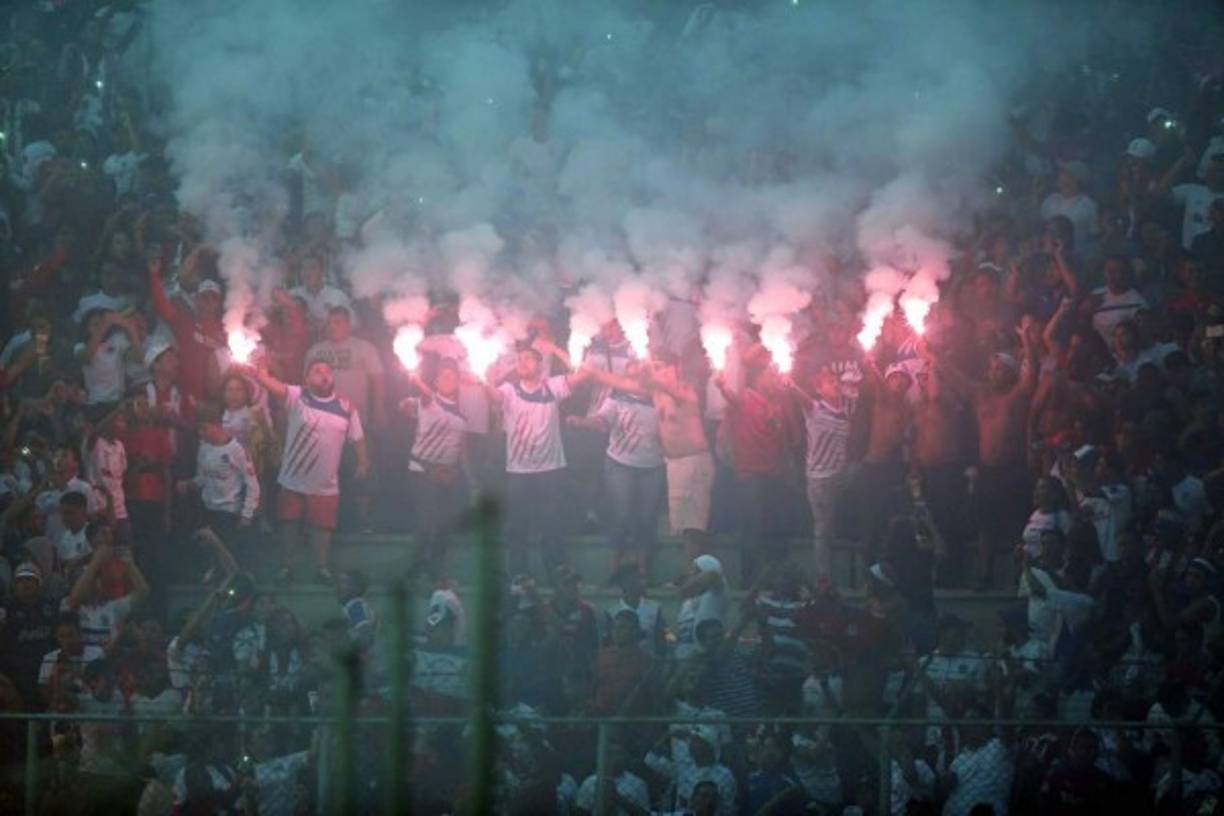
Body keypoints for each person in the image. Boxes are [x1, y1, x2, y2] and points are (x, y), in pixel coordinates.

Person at [936, 316, 1040, 588]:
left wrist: (1026, 341)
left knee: (1018, 525)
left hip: (1014, 469)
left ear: (1011, 372)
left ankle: (1021, 577)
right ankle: (984, 575)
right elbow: (956, 378)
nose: (995, 373)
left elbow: (1032, 373)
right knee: (986, 526)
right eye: (993, 368)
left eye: (1001, 369)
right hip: (988, 471)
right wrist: (934, 353)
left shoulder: (1017, 396)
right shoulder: (980, 394)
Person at [249, 357, 369, 583]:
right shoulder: (298, 395)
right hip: (293, 478)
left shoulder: (346, 406)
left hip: (325, 482)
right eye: (317, 371)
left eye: (327, 371)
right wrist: (261, 372)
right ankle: (286, 568)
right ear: (306, 379)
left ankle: (322, 568)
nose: (324, 374)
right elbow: (274, 386)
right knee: (289, 523)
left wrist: (363, 461)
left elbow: (358, 437)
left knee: (323, 528)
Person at [487, 345, 595, 576]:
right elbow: (494, 396)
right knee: (517, 526)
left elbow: (584, 373)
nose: (522, 362)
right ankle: (519, 574)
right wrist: (485, 379)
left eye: (529, 358)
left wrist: (556, 349)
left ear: (540, 365)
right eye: (519, 359)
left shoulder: (552, 386)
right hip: (519, 471)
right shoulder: (509, 389)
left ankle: (557, 569)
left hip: (550, 469)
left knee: (552, 523)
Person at [567, 372, 665, 575]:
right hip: (620, 464)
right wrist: (583, 422)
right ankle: (614, 568)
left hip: (653, 465)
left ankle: (641, 569)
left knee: (647, 517)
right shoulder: (617, 398)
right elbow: (601, 421)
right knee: (621, 514)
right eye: (632, 369)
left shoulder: (660, 397)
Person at [785, 365, 852, 580]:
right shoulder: (815, 409)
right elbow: (802, 398)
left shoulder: (845, 411)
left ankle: (839, 572)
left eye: (836, 381)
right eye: (829, 382)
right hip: (819, 478)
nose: (835, 384)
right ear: (819, 390)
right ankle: (823, 576)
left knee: (833, 525)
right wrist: (791, 385)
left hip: (839, 477)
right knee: (822, 528)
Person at [399, 362, 467, 576]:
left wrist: (465, 474)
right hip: (422, 469)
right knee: (427, 519)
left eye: (451, 376)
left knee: (445, 522)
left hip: (448, 473)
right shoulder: (428, 401)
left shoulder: (462, 414)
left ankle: (436, 564)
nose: (447, 379)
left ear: (458, 382)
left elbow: (461, 448)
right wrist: (415, 378)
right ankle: (414, 567)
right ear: (436, 382)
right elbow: (422, 396)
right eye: (442, 376)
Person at [176, 403, 261, 547]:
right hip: (206, 510)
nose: (201, 433)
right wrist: (189, 484)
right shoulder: (203, 447)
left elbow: (253, 485)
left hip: (228, 513)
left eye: (204, 428)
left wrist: (247, 514)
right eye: (199, 429)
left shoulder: (237, 449)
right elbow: (203, 477)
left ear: (216, 425)